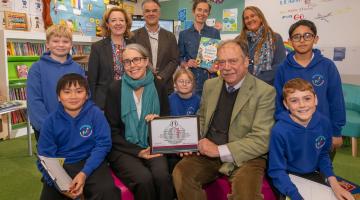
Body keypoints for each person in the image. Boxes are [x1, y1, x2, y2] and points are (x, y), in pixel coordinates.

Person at [172, 39, 276, 200]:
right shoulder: (210, 85)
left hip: (246, 156)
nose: (226, 67)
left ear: (246, 61)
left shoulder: (265, 92)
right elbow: (201, 119)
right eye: (222, 62)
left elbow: (262, 139)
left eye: (233, 61)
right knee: (181, 173)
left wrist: (219, 151)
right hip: (208, 153)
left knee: (246, 195)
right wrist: (190, 140)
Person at [104, 43, 173, 200]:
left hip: (153, 144)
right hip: (123, 149)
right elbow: (112, 131)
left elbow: (167, 122)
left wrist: (159, 122)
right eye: (127, 61)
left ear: (146, 60)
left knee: (162, 176)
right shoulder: (115, 89)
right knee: (143, 179)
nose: (132, 65)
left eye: (137, 59)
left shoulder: (159, 85)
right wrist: (138, 151)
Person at [268, 78, 354, 200]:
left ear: (316, 100)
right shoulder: (279, 131)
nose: (302, 105)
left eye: (307, 98)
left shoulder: (324, 123)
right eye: (294, 100)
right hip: (286, 178)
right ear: (286, 104)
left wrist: (335, 184)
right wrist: (295, 195)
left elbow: (323, 155)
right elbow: (277, 170)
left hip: (312, 174)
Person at [37, 73, 119, 200]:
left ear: (86, 95)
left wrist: (84, 173)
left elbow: (103, 144)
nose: (73, 96)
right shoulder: (50, 121)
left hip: (91, 162)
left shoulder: (95, 114)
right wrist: (61, 185)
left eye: (79, 91)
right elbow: (45, 157)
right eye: (67, 92)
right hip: (62, 165)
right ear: (59, 96)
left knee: (106, 191)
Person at [274, 19, 345, 155]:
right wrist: (284, 126)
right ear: (289, 41)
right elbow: (278, 102)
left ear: (315, 39)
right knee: (295, 172)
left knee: (323, 170)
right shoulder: (282, 69)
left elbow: (336, 100)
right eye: (297, 36)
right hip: (292, 131)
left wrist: (336, 132)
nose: (302, 40)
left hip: (323, 131)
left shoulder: (327, 66)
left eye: (307, 35)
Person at [27, 24, 85, 140]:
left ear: (71, 45)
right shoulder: (37, 68)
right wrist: (47, 126)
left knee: (75, 156)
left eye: (65, 41)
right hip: (47, 128)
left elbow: (85, 96)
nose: (60, 45)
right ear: (47, 44)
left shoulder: (78, 69)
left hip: (74, 126)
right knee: (51, 157)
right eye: (56, 41)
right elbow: (34, 101)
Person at [88, 7, 133, 109]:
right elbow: (92, 79)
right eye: (113, 20)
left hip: (130, 100)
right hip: (104, 102)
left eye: (121, 20)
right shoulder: (97, 47)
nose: (118, 23)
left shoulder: (134, 45)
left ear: (126, 24)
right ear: (107, 24)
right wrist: (92, 104)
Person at [132, 0, 179, 95]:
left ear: (159, 13)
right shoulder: (133, 36)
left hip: (165, 87)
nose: (151, 13)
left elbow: (175, 60)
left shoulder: (170, 36)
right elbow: (132, 60)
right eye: (147, 11)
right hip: (141, 87)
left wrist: (161, 77)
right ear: (143, 13)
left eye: (154, 10)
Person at [178, 0, 220, 96]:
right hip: (191, 81)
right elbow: (179, 58)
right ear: (193, 11)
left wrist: (214, 66)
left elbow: (219, 57)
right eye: (199, 10)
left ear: (208, 14)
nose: (202, 13)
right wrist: (186, 63)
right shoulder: (184, 34)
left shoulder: (214, 33)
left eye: (205, 11)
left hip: (210, 79)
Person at [235, 6, 286, 85]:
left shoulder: (275, 37)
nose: (250, 20)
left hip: (268, 86)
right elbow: (235, 64)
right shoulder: (238, 40)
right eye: (246, 18)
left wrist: (256, 81)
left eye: (252, 16)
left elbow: (280, 65)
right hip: (243, 85)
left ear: (261, 18)